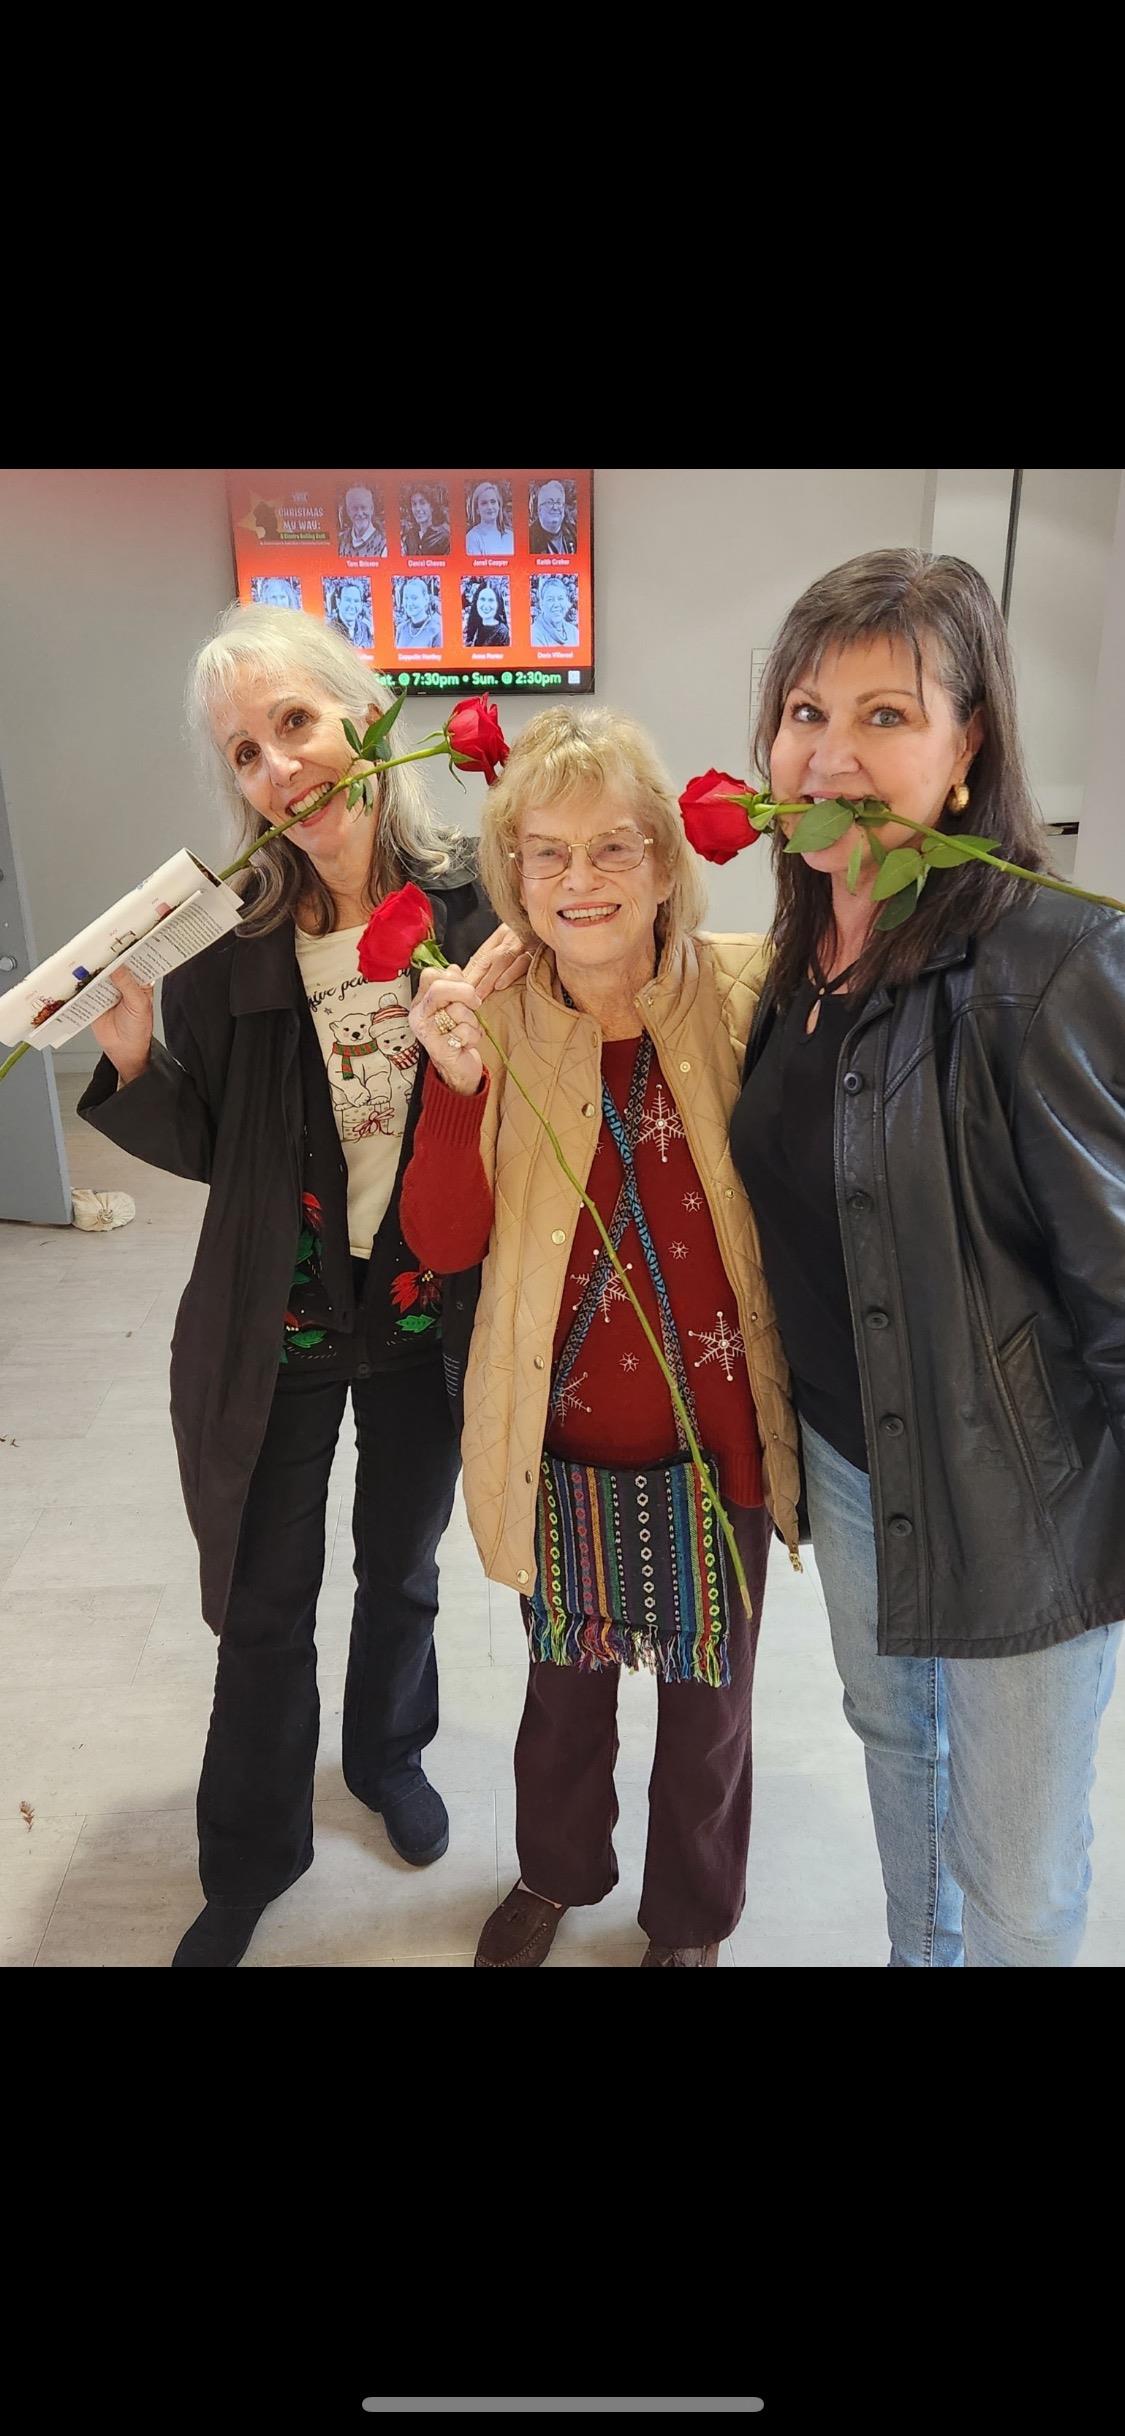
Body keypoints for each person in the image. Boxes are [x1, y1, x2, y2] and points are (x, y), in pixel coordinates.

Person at [78, 604, 527, 1967]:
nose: (278, 770)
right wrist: (139, 1054)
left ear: (364, 723)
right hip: (280, 1319)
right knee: (262, 1593)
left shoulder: (479, 910)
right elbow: (211, 1144)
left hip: (421, 1313)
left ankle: (387, 1756)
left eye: (295, 726)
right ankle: (251, 1850)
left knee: (399, 1566)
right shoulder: (229, 945)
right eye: (246, 754)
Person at [729, 547, 1125, 1968]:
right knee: (896, 1743)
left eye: (885, 717)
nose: (828, 754)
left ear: (966, 754)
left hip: (1021, 1497)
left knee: (1019, 1878)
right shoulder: (794, 956)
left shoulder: (1047, 964)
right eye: (803, 712)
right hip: (847, 1454)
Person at [400, 707, 801, 1966]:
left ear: (668, 863)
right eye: (546, 853)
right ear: (511, 873)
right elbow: (444, 1242)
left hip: (718, 1439)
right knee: (562, 1701)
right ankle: (555, 1872)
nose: (579, 881)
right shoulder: (489, 1020)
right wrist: (455, 1090)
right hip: (560, 1435)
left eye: (613, 849)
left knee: (710, 1711)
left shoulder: (746, 994)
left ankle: (689, 1922)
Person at [464, 478, 514, 556]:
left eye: (493, 502)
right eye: (484, 503)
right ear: (477, 509)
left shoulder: (510, 536)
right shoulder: (472, 538)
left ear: (499, 505)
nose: (490, 507)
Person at [529, 478, 577, 555]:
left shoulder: (574, 532)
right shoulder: (529, 537)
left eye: (558, 502)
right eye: (550, 502)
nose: (555, 507)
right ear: (539, 509)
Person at [394, 577, 443, 649]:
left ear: (426, 599)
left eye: (414, 598)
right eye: (406, 598)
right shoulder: (401, 629)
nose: (409, 603)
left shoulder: (436, 630)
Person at [531, 575, 579, 649]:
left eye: (560, 598)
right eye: (550, 599)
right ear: (542, 604)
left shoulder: (573, 631)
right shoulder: (534, 633)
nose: (556, 605)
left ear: (567, 601)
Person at [339, 484, 386, 558]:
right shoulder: (341, 541)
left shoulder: (383, 544)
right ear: (348, 511)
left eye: (363, 507)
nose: (360, 513)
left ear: (371, 509)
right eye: (355, 508)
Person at [402, 485, 451, 555]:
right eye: (414, 504)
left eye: (422, 503)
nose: (418, 509)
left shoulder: (444, 538)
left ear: (432, 506)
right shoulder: (410, 537)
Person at [462, 580, 510, 648]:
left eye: (491, 600)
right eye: (482, 599)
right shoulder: (475, 626)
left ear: (498, 604)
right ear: (476, 602)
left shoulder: (502, 632)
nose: (486, 605)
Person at [329, 577, 373, 648]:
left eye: (356, 601)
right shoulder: (329, 630)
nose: (352, 606)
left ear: (361, 604)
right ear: (338, 602)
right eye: (348, 600)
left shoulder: (365, 629)